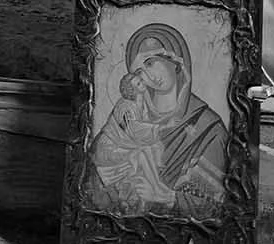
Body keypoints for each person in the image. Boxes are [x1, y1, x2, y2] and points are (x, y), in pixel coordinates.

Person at [83, 21, 227, 220]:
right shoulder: (127, 115)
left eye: (150, 62)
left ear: (176, 59)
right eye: (139, 71)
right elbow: (90, 182)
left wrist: (168, 197)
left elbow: (217, 203)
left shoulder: (209, 128)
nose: (148, 75)